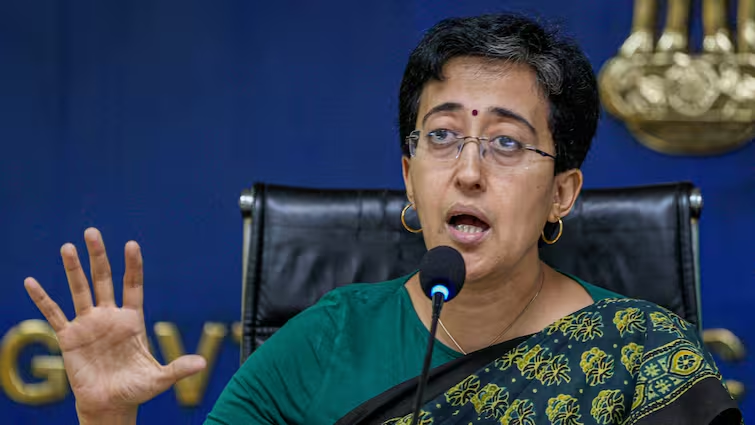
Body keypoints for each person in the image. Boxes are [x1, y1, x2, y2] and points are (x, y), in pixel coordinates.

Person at [23, 12, 742, 425]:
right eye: (442, 136)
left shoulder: (642, 356)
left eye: (505, 142)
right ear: (408, 177)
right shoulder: (326, 343)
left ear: (562, 192)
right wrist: (108, 419)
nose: (467, 170)